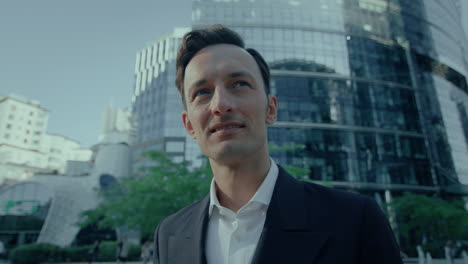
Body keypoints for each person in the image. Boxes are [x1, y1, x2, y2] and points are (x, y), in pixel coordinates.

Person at [153, 24, 403, 264]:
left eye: (239, 84)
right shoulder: (169, 234)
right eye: (202, 93)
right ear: (188, 126)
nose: (220, 105)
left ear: (270, 109)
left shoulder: (356, 220)